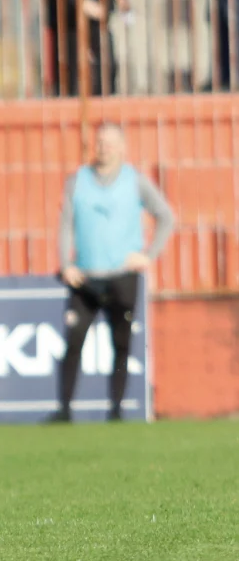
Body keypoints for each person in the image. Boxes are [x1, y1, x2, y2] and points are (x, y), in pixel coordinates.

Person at [56, 123, 174, 422]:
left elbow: (166, 216)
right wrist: (66, 263)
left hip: (122, 276)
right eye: (100, 142)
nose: (104, 147)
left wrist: (148, 255)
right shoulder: (77, 181)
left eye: (110, 143)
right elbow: (65, 224)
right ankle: (65, 410)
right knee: (73, 342)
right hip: (85, 277)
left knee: (121, 345)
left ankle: (117, 410)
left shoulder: (135, 181)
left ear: (122, 147)